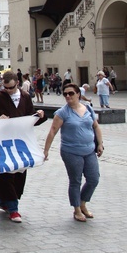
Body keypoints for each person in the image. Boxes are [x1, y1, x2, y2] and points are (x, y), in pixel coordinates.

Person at [0, 71, 46, 223]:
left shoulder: (24, 97)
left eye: (10, 88)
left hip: (20, 141)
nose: (8, 91)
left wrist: (39, 116)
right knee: (5, 173)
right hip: (3, 142)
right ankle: (13, 208)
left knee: (19, 172)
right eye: (5, 88)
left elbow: (29, 116)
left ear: (17, 84)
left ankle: (5, 201)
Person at [43, 83, 103, 222]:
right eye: (65, 94)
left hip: (89, 150)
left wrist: (100, 143)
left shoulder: (88, 108)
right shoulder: (62, 112)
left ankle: (83, 203)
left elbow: (96, 126)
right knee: (75, 180)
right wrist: (46, 150)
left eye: (71, 93)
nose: (68, 96)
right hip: (71, 151)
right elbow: (52, 131)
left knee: (94, 178)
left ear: (78, 94)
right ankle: (76, 209)